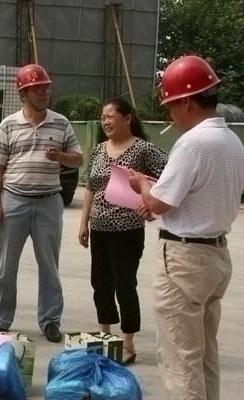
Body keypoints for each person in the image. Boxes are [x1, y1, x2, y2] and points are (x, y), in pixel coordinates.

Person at [129, 55, 244, 399]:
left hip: (184, 259)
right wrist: (158, 197)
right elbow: (199, 195)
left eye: (171, 106)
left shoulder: (192, 143)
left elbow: (157, 204)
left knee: (180, 359)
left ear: (188, 103)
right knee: (205, 353)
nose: (170, 115)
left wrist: (142, 185)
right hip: (215, 256)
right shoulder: (232, 142)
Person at [0, 64, 83, 342]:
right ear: (23, 94)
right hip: (13, 201)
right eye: (37, 89)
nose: (44, 93)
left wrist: (61, 157)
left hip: (48, 203)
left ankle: (50, 320)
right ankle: (1, 319)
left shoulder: (61, 123)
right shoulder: (8, 125)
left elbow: (78, 158)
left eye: (46, 88)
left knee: (49, 266)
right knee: (5, 267)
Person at [78, 98, 167, 364]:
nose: (105, 121)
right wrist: (84, 222)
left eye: (110, 116)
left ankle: (128, 342)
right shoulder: (99, 150)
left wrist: (150, 203)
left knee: (125, 284)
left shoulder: (143, 149)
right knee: (100, 282)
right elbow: (90, 187)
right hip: (100, 229)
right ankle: (104, 335)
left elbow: (170, 176)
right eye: (102, 117)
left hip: (127, 231)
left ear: (127, 118)